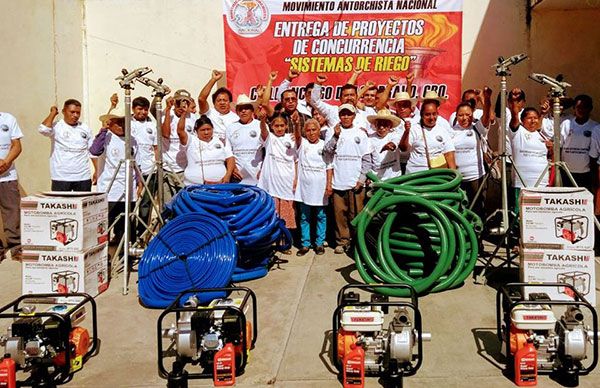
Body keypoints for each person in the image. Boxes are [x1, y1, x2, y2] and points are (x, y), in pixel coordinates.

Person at [324, 104, 371, 254]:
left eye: (348, 114)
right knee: (340, 215)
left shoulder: (361, 134)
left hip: (356, 182)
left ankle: (358, 242)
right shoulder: (334, 132)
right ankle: (342, 241)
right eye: (343, 114)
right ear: (339, 116)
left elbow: (367, 159)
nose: (345, 117)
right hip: (339, 181)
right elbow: (327, 152)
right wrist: (335, 136)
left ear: (354, 116)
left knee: (356, 215)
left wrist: (362, 179)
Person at [90, 114, 140, 242]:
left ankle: (124, 254)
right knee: (105, 225)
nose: (121, 126)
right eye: (118, 122)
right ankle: (105, 256)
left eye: (124, 122)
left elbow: (137, 164)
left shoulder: (133, 140)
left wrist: (140, 184)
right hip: (110, 190)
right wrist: (103, 130)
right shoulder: (105, 138)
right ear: (110, 123)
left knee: (125, 226)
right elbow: (94, 151)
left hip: (128, 191)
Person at [450, 86, 493, 217]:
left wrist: (486, 98)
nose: (464, 118)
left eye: (468, 115)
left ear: (472, 115)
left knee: (477, 209)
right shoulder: (450, 131)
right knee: (458, 210)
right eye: (461, 115)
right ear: (456, 116)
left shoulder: (477, 128)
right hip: (457, 179)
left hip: (476, 178)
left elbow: (486, 116)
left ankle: (477, 235)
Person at [258, 113, 299, 245]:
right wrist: (263, 119)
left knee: (287, 216)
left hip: (287, 183)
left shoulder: (291, 138)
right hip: (272, 185)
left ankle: (285, 242)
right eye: (276, 126)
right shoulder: (269, 138)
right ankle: (273, 242)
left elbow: (297, 159)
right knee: (273, 215)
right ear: (272, 126)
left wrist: (296, 178)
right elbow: (263, 131)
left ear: (286, 126)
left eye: (282, 125)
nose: (280, 128)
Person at [295, 119, 333, 256]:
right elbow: (298, 136)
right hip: (304, 187)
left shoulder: (325, 146)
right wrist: (296, 124)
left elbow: (329, 167)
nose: (311, 133)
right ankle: (305, 244)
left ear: (319, 131)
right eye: (309, 130)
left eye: (314, 129)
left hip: (320, 187)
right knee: (304, 216)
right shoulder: (302, 144)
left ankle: (319, 243)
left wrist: (329, 185)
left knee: (321, 216)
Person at [508, 94, 552, 208]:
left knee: (538, 216)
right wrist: (514, 102)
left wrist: (551, 148)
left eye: (535, 118)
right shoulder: (518, 132)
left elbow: (551, 158)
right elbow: (514, 116)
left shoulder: (542, 136)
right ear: (522, 120)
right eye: (529, 118)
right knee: (521, 216)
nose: (533, 120)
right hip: (522, 184)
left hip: (542, 184)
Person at [39, 99, 94, 191]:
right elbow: (43, 130)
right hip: (61, 177)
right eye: (72, 112)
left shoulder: (85, 128)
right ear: (64, 111)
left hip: (83, 177)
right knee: (61, 204)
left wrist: (96, 170)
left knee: (83, 204)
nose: (75, 115)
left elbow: (92, 151)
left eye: (78, 112)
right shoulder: (57, 126)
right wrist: (53, 113)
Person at [177, 103, 235, 186]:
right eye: (203, 130)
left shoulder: (220, 141)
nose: (206, 132)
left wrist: (227, 176)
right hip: (195, 186)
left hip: (220, 185)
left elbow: (230, 158)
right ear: (196, 131)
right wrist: (183, 114)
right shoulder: (191, 140)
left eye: (209, 129)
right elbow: (180, 131)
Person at [400, 98, 456, 174]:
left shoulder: (442, 130)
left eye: (434, 114)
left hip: (437, 175)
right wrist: (406, 132)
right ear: (421, 115)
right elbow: (404, 148)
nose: (431, 117)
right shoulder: (414, 129)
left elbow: (449, 154)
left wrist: (454, 175)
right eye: (427, 114)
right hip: (415, 175)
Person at [162, 90, 198, 195]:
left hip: (186, 168)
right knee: (168, 204)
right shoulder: (166, 114)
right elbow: (165, 134)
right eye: (178, 102)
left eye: (185, 102)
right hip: (168, 167)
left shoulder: (192, 117)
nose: (181, 106)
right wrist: (168, 109)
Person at [562, 95, 599, 191]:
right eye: (578, 107)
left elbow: (594, 153)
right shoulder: (566, 124)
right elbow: (560, 146)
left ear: (590, 108)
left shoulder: (595, 127)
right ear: (574, 108)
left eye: (585, 107)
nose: (581, 110)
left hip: (586, 173)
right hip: (567, 171)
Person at [226, 94, 264, 184]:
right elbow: (228, 151)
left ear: (252, 110)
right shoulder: (231, 127)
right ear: (237, 112)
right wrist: (233, 168)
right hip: (238, 175)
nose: (243, 111)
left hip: (258, 174)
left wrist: (263, 169)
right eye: (240, 109)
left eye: (246, 108)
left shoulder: (260, 125)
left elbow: (267, 149)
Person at [0, 112, 23, 258]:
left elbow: (17, 145)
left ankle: (16, 248)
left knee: (12, 212)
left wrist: (5, 162)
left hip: (8, 176)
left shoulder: (8, 119)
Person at [197, 70, 239, 142]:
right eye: (219, 100)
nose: (222, 103)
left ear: (230, 102)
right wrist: (213, 80)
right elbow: (201, 99)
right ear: (214, 102)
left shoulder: (236, 118)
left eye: (225, 100)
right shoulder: (209, 113)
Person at [366, 109, 403, 179]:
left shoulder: (395, 135)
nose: (381, 127)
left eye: (385, 124)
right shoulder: (370, 138)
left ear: (390, 126)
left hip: (394, 177)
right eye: (379, 124)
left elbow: (395, 142)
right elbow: (368, 160)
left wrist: (391, 145)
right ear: (375, 125)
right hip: (377, 178)